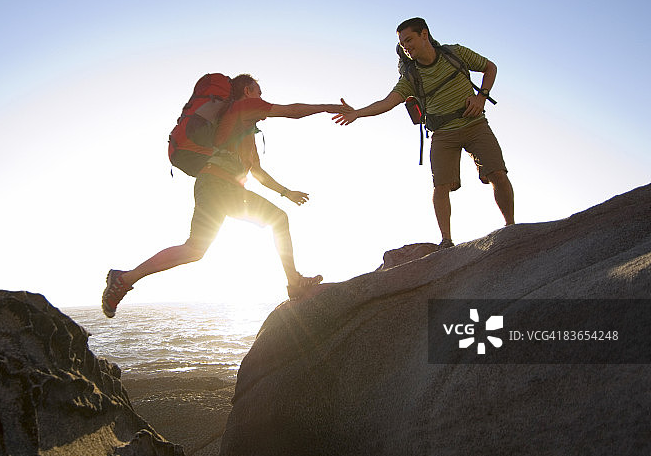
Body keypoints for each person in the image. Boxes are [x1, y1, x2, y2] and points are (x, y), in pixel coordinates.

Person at [101, 74, 349, 317]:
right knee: (278, 220)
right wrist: (329, 107)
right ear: (247, 91)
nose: (262, 98)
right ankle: (294, 283)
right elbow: (292, 111)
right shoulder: (243, 106)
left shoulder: (245, 128)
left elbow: (258, 172)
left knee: (195, 250)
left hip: (212, 184)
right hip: (219, 186)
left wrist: (286, 192)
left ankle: (124, 279)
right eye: (258, 92)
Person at [334, 17, 515, 248]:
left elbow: (490, 67)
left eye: (409, 40)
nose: (406, 46)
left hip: (475, 124)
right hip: (442, 134)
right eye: (402, 44)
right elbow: (388, 102)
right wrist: (357, 113)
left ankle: (512, 229)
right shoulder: (411, 77)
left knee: (497, 173)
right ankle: (446, 242)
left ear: (425, 35)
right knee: (440, 187)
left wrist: (482, 97)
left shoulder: (455, 53)